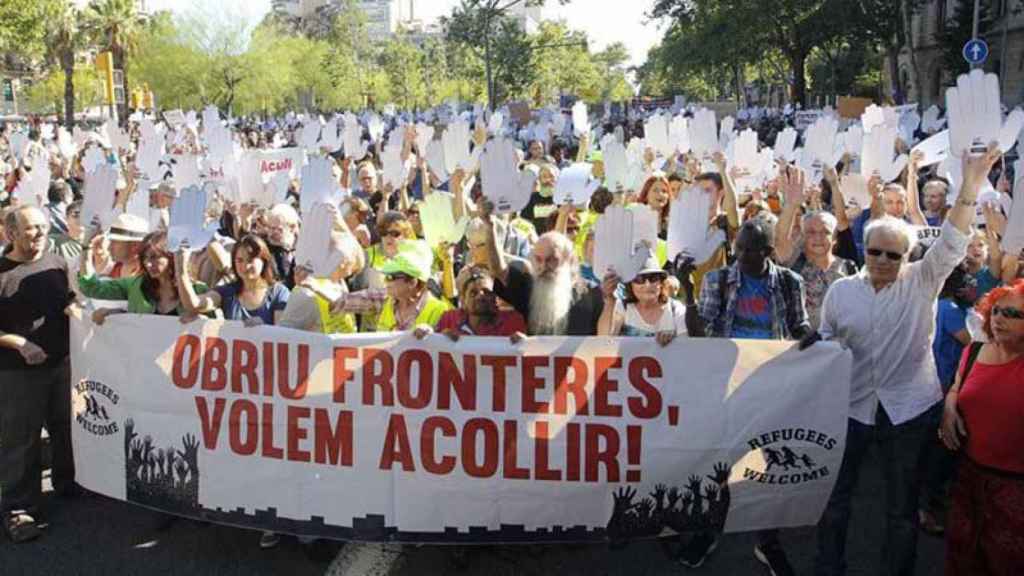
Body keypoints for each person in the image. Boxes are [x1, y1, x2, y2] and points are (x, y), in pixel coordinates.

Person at [813, 144, 1000, 576]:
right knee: (835, 500)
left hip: (909, 410)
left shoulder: (922, 281)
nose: (882, 260)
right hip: (852, 408)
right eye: (875, 251)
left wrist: (971, 183)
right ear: (863, 249)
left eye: (893, 255)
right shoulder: (841, 292)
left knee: (901, 510)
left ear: (907, 258)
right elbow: (826, 342)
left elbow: (953, 240)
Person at [685, 216, 809, 575]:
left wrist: (812, 339)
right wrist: (686, 289)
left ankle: (766, 539)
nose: (738, 255)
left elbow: (797, 324)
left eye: (748, 250)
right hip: (725, 384)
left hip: (770, 385)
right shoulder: (719, 280)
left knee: (767, 462)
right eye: (737, 247)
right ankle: (709, 529)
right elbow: (699, 332)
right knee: (719, 461)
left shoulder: (788, 282)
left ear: (768, 252)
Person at [0, 205, 76, 543]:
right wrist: (19, 343)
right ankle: (18, 508)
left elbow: (70, 300)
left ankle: (68, 482)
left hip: (61, 364)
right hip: (18, 373)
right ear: (11, 233)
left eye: (43, 226)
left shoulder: (57, 263)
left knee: (65, 427)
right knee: (21, 440)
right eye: (31, 228)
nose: (40, 233)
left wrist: (77, 309)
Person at [939, 279, 1024, 575]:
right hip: (968, 480)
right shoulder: (973, 351)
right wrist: (949, 408)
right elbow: (956, 388)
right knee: (963, 560)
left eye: (1014, 314)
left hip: (1015, 490)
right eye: (997, 311)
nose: (1000, 319)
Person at [917, 264, 977, 535]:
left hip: (933, 384)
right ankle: (925, 508)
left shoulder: (936, 305)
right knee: (939, 450)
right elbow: (971, 342)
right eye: (966, 283)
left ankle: (927, 502)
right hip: (942, 386)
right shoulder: (950, 310)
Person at [482, 206, 604, 337]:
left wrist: (611, 301)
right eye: (538, 260)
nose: (543, 266)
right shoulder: (529, 289)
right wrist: (490, 227)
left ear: (569, 260)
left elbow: (607, 341)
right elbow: (498, 269)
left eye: (551, 260)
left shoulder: (593, 294)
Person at [78, 231, 206, 320]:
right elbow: (91, 288)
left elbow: (214, 330)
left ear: (172, 256)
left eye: (154, 257)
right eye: (144, 258)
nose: (148, 264)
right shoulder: (136, 285)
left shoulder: (198, 291)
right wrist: (86, 248)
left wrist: (202, 321)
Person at [177, 234, 290, 327]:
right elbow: (194, 304)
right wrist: (181, 269)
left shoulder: (279, 293)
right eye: (240, 260)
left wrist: (264, 329)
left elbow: (282, 332)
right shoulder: (228, 291)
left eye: (251, 259)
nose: (245, 266)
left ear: (264, 261)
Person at [414, 266, 526, 340]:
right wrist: (431, 334)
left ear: (496, 296)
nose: (480, 296)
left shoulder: (513, 321)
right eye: (473, 293)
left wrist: (521, 344)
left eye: (487, 292)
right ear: (463, 300)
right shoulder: (449, 319)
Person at [597, 256, 686, 344]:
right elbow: (604, 341)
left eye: (653, 278)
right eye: (639, 279)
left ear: (661, 282)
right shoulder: (623, 307)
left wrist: (673, 340)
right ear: (630, 284)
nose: (647, 285)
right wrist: (610, 300)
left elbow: (687, 345)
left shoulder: (676, 309)